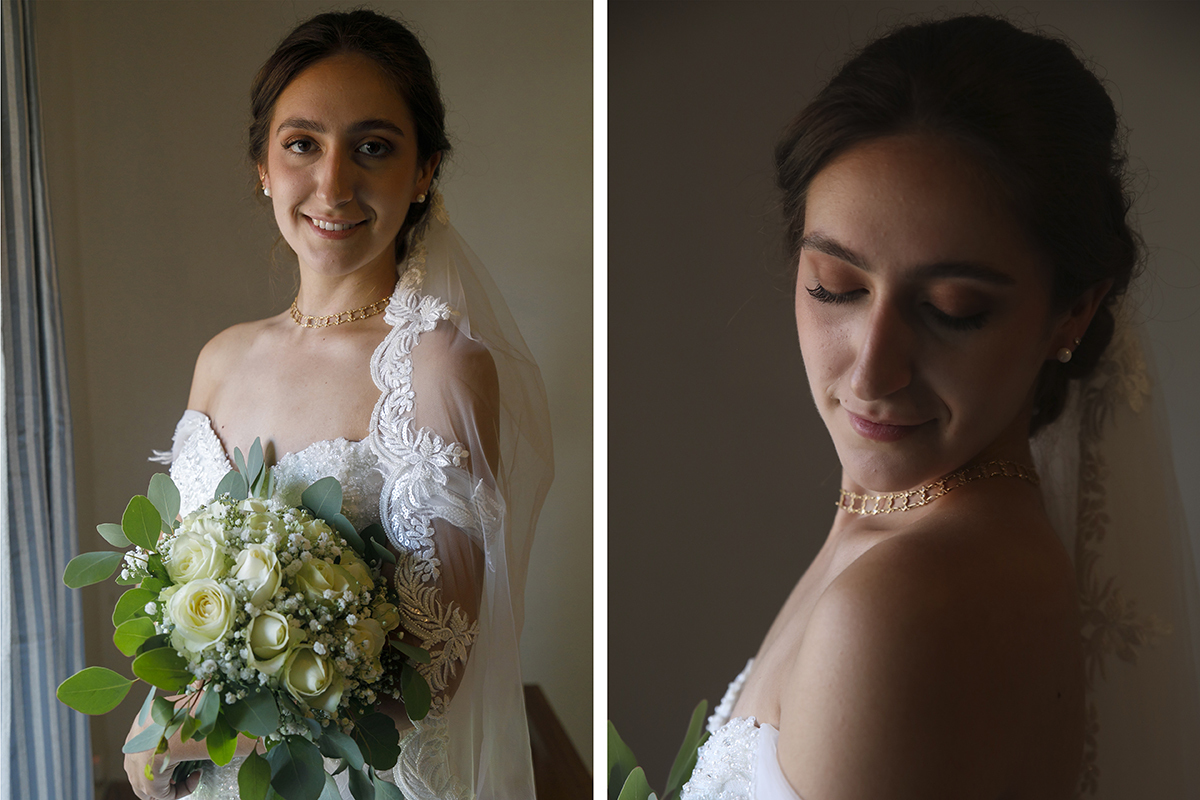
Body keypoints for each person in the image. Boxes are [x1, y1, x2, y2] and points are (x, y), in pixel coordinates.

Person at [679, 15, 1200, 800]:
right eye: (836, 287)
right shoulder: (903, 525)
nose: (875, 371)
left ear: (1073, 313)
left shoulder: (903, 603)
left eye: (954, 309)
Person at [121, 9, 552, 800]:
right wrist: (161, 713)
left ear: (424, 173)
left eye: (374, 148)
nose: (333, 184)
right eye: (302, 144)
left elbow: (439, 662)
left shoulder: (443, 368)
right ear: (263, 164)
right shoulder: (219, 358)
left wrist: (203, 732)